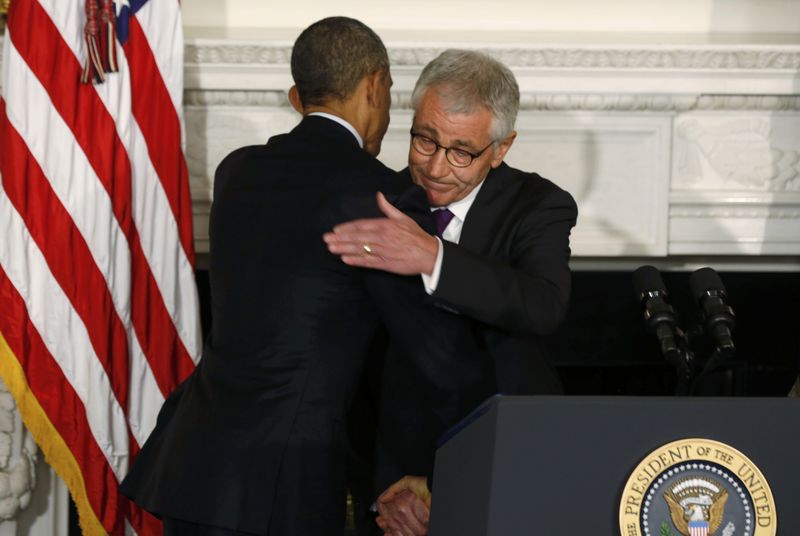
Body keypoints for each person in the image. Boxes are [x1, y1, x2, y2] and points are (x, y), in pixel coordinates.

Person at [120, 20, 491, 536]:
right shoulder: (381, 196)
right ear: (375, 85)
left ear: (299, 96)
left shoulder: (238, 173)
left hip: (197, 467)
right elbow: (433, 349)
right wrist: (488, 429)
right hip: (281, 484)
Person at [324, 49, 578, 535]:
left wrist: (433, 258)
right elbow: (343, 364)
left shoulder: (538, 206)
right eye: (425, 140)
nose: (437, 167)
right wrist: (384, 487)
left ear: (501, 148)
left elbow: (542, 305)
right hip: (391, 484)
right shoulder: (374, 199)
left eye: (462, 151)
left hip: (505, 470)